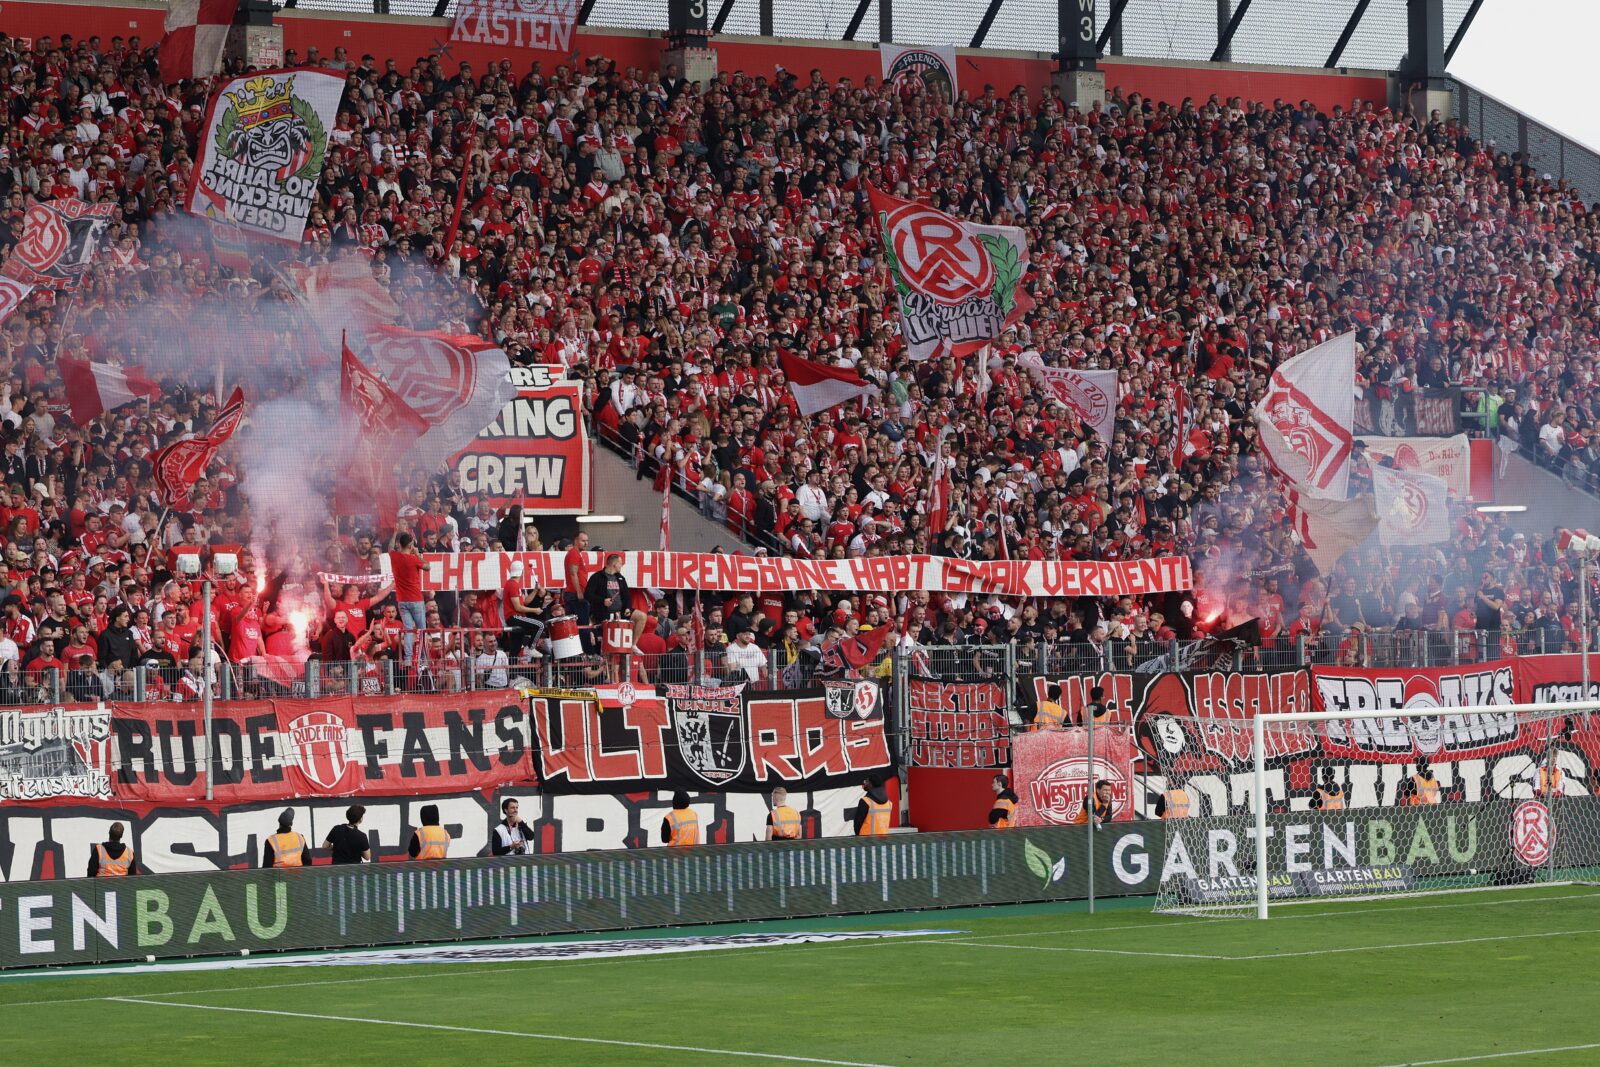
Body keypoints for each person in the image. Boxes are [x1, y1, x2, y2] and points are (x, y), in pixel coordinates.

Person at [385, 531, 427, 662]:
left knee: (408, 630)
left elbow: (389, 547)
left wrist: (395, 532)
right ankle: (424, 658)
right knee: (421, 630)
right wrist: (417, 554)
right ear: (410, 545)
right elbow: (428, 566)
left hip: (402, 600)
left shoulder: (394, 557)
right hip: (416, 600)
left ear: (399, 544)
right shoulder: (414, 559)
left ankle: (408, 658)